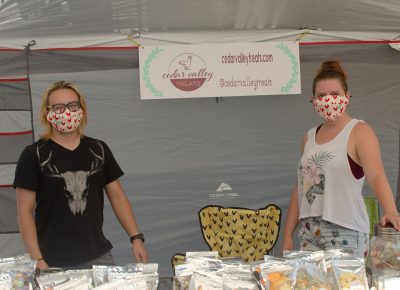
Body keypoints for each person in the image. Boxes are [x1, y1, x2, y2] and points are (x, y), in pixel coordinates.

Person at [14, 81, 148, 270]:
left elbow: (118, 197)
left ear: (82, 109)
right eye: (58, 107)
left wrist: (136, 238)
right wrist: (37, 259)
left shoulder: (98, 149)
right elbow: (24, 212)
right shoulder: (33, 154)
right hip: (51, 260)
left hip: (98, 255)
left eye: (72, 105)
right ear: (47, 112)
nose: (66, 112)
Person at [281, 60, 400, 258]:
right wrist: (287, 234)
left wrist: (391, 210)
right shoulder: (309, 137)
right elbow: (301, 187)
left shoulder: (359, 131)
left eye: (335, 94)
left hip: (345, 229)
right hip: (308, 230)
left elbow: (376, 173)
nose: (328, 100)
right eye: (321, 96)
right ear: (313, 100)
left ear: (347, 96)